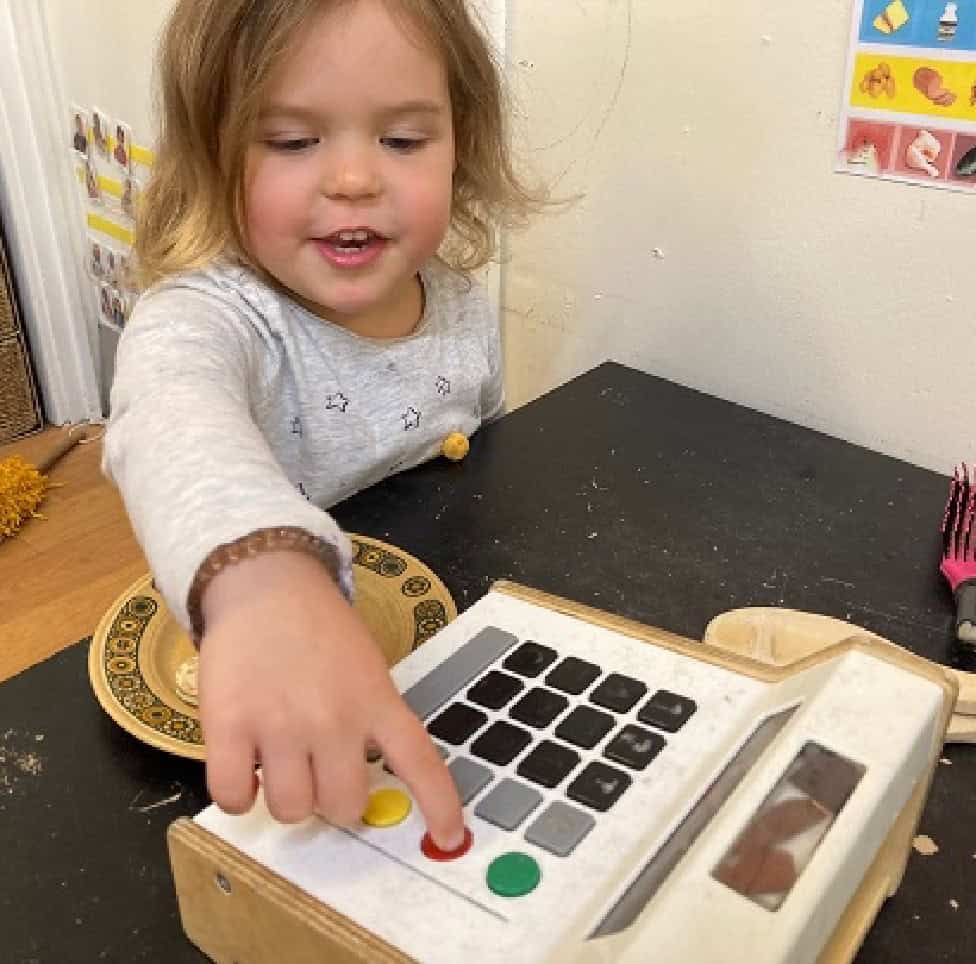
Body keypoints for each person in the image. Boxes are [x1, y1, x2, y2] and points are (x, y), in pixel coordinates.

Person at [104, 0, 540, 852]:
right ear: (209, 155)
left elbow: (483, 478)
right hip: (268, 694)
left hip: (433, 658)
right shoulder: (211, 316)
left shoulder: (458, 306)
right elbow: (167, 411)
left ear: (463, 143)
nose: (352, 180)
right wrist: (260, 583)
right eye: (293, 142)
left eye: (404, 141)